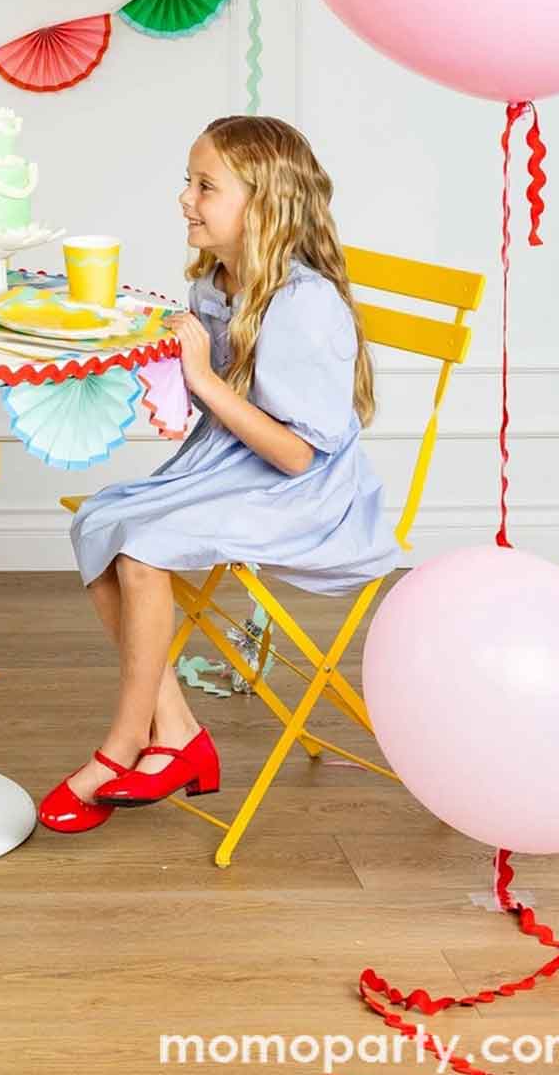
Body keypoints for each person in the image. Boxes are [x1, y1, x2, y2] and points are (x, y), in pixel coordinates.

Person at [40, 114, 397, 835]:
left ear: (261, 202)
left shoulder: (302, 305)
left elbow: (298, 453)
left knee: (141, 550)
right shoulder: (218, 280)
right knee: (100, 520)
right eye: (188, 180)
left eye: (205, 185)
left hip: (299, 491)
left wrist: (201, 377)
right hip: (229, 466)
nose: (184, 198)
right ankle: (174, 731)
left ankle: (122, 742)